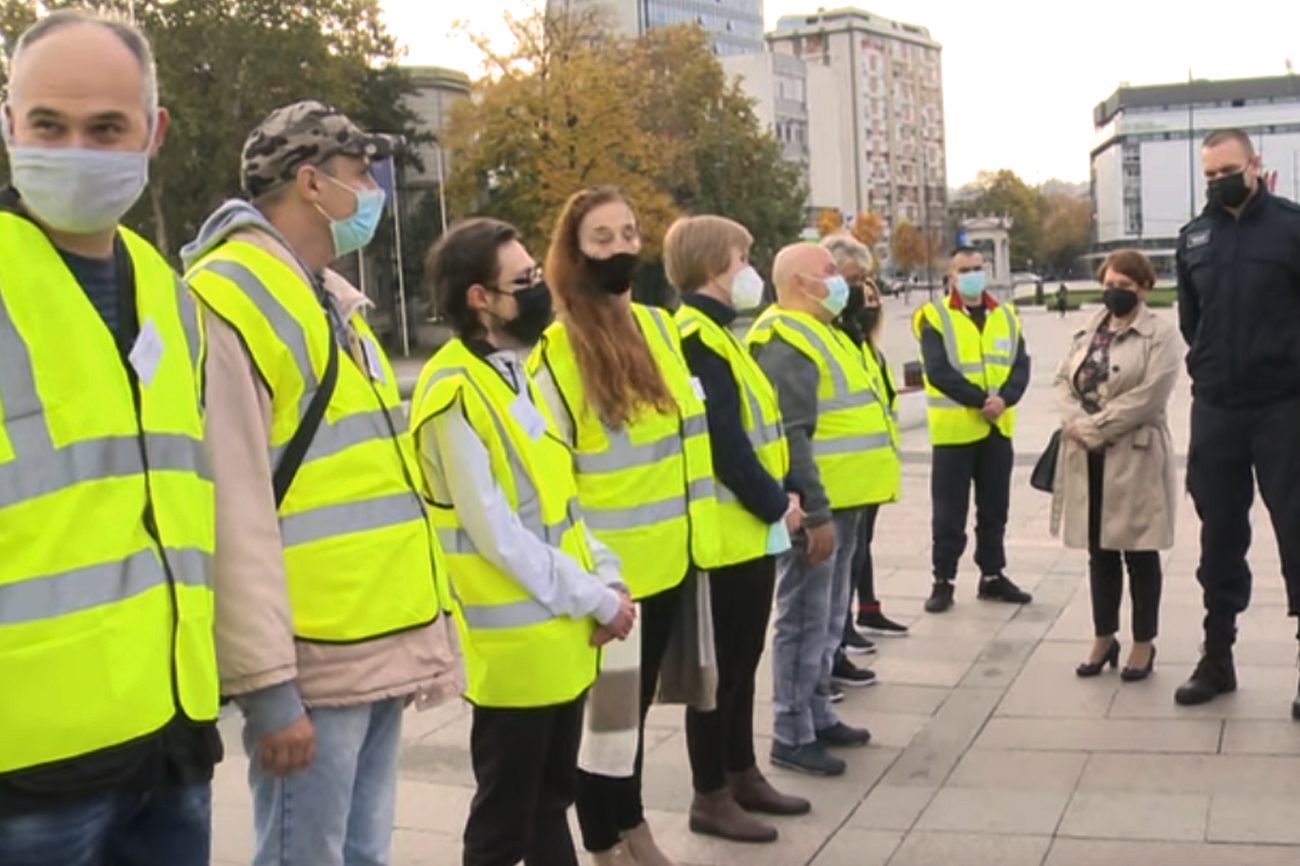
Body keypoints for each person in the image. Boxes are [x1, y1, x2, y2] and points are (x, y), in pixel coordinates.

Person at [181, 101, 462, 865]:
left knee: (359, 854)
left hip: (369, 640)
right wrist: (269, 691)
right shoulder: (229, 297)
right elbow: (232, 509)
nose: (371, 189)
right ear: (310, 182)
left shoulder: (328, 297)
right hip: (312, 657)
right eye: (359, 173)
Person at [0, 13, 221, 865]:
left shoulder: (167, 293)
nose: (75, 150)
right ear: (9, 124)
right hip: (29, 772)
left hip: (169, 739)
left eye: (106, 129)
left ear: (152, 134)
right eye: (48, 125)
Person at [413, 218, 636, 866]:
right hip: (515, 652)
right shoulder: (453, 390)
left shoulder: (519, 372)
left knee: (548, 800)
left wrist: (608, 579)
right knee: (504, 823)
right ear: (479, 298)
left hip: (560, 636)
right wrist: (595, 600)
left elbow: (561, 507)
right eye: (525, 282)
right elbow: (497, 535)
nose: (542, 291)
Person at [530, 186, 719, 866]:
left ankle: (632, 824)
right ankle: (605, 842)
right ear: (574, 252)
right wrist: (586, 581)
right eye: (601, 237)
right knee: (604, 726)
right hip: (607, 579)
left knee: (631, 721)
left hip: (671, 560)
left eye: (629, 233)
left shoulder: (662, 329)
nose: (619, 247)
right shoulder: (556, 352)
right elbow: (549, 478)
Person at [664, 216, 810, 843]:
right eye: (743, 255)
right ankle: (710, 793)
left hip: (747, 530)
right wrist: (776, 502)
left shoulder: (723, 335)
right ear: (712, 263)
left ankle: (741, 771)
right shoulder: (695, 334)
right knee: (717, 672)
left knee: (743, 663)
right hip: (725, 533)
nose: (751, 266)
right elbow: (722, 439)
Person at [1175, 128, 1300, 710]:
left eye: (1227, 169)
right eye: (1208, 174)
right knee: (1219, 533)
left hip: (1284, 407)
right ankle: (1217, 656)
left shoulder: (1292, 227)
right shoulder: (1194, 238)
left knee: (1296, 531)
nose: (1217, 180)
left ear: (1255, 165)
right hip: (1218, 408)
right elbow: (1190, 321)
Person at [746, 243, 876, 778]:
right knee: (803, 618)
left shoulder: (822, 331)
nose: (840, 280)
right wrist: (816, 511)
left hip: (846, 502)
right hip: (821, 508)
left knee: (827, 617)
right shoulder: (786, 339)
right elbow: (792, 435)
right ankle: (791, 730)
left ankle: (818, 712)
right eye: (829, 273)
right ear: (800, 282)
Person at [1052, 250, 1181, 681]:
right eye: (1109, 284)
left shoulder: (1161, 335)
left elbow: (1150, 397)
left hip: (1136, 455)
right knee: (1099, 553)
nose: (1115, 293)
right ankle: (1103, 636)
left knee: (1139, 554)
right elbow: (1061, 382)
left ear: (1144, 288)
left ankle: (1144, 643)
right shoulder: (1088, 329)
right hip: (1087, 458)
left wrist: (1096, 427)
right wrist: (1075, 422)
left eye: (1125, 286)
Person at [914, 247, 1033, 614]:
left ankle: (992, 575)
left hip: (997, 430)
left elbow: (1020, 366)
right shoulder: (934, 317)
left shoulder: (1007, 316)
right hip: (955, 433)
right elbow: (938, 371)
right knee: (949, 512)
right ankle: (943, 580)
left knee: (994, 509)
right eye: (964, 270)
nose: (972, 275)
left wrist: (1005, 399)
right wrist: (983, 400)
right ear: (951, 276)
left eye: (978, 268)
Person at [822, 234, 908, 652]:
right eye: (854, 281)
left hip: (865, 473)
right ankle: (831, 652)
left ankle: (851, 625)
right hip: (834, 481)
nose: (862, 293)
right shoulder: (820, 337)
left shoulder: (858, 341)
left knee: (855, 556)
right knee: (823, 583)